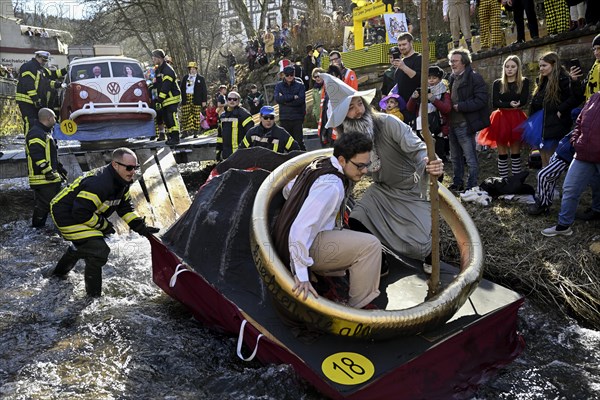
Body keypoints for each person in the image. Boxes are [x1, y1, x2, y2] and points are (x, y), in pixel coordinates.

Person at [319, 73, 445, 268]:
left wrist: (430, 161)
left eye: (359, 104)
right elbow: (346, 176)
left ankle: (430, 257)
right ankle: (379, 257)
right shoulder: (346, 143)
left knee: (419, 247)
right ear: (342, 118)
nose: (358, 111)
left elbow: (418, 150)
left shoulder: (388, 123)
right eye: (350, 108)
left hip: (412, 190)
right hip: (382, 191)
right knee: (357, 218)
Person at [272, 132, 382, 309]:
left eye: (366, 165)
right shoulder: (331, 186)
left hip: (287, 241)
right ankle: (358, 310)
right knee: (371, 246)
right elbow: (300, 228)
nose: (365, 171)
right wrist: (301, 275)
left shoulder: (320, 163)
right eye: (360, 166)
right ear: (342, 160)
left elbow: (287, 189)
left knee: (349, 234)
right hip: (296, 247)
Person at [50, 148, 159, 297]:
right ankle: (93, 298)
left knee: (85, 245)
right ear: (115, 165)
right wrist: (104, 225)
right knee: (99, 250)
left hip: (83, 212)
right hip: (66, 214)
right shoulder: (100, 183)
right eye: (129, 167)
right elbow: (80, 213)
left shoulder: (122, 180)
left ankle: (57, 276)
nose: (133, 171)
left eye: (135, 167)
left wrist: (141, 227)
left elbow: (125, 208)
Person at [541, 92, 600, 236]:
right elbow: (580, 121)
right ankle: (563, 226)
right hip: (583, 154)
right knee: (570, 188)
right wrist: (576, 140)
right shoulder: (595, 97)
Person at [477, 55, 530, 178]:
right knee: (502, 152)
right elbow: (495, 102)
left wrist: (517, 104)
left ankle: (516, 180)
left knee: (516, 152)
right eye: (507, 66)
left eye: (513, 67)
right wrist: (509, 104)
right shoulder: (498, 83)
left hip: (516, 118)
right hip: (500, 118)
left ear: (518, 68)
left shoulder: (523, 81)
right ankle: (504, 180)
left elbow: (524, 99)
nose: (509, 69)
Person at [526, 52, 580, 167]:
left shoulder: (564, 80)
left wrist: (561, 109)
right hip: (541, 125)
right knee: (544, 160)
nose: (541, 68)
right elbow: (536, 103)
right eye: (540, 66)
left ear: (554, 65)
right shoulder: (541, 82)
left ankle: (551, 184)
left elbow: (574, 98)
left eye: (544, 65)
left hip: (556, 124)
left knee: (552, 161)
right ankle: (546, 184)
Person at [447, 48, 490, 191]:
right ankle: (457, 183)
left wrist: (462, 106)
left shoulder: (474, 77)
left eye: (455, 61)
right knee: (455, 158)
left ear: (464, 62)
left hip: (465, 123)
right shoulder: (452, 77)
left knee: (470, 158)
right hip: (452, 124)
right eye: (451, 61)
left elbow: (482, 100)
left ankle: (472, 186)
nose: (452, 64)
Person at [25, 108, 65, 228]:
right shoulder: (36, 133)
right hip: (42, 177)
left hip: (48, 176)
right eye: (54, 118)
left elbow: (49, 155)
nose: (55, 120)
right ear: (48, 118)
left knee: (55, 202)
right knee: (44, 205)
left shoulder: (44, 133)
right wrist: (48, 171)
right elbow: (37, 155)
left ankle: (55, 226)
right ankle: (37, 229)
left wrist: (60, 169)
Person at [407, 65, 452, 163]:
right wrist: (413, 98)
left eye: (434, 78)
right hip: (420, 127)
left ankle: (438, 177)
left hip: (437, 129)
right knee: (423, 157)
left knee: (437, 157)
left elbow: (447, 109)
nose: (431, 80)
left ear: (440, 79)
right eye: (429, 78)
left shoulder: (444, 92)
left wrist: (433, 99)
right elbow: (410, 108)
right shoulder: (421, 90)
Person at [16, 50, 67, 133]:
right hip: (26, 100)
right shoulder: (28, 66)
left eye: (46, 61)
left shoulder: (42, 70)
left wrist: (66, 69)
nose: (44, 62)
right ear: (37, 57)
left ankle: (36, 141)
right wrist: (35, 99)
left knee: (37, 123)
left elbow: (54, 74)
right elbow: (28, 84)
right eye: (43, 60)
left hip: (35, 102)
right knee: (30, 122)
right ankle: (29, 142)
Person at [151, 49, 181, 146]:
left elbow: (166, 87)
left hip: (171, 98)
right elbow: (158, 85)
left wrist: (159, 99)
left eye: (154, 58)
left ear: (160, 58)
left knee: (171, 117)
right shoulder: (159, 69)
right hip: (165, 99)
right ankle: (171, 137)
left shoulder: (167, 70)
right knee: (167, 119)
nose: (153, 60)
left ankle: (176, 138)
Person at [392, 33, 422, 123]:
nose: (401, 47)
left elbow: (420, 78)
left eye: (404, 44)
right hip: (401, 108)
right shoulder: (402, 61)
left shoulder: (419, 58)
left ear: (411, 43)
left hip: (415, 106)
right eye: (399, 45)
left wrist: (404, 67)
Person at [275, 65, 306, 150]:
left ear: (294, 74)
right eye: (287, 75)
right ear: (284, 75)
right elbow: (277, 99)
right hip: (284, 117)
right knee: (286, 142)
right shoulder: (279, 86)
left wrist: (285, 101)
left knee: (299, 141)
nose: (289, 77)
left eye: (291, 75)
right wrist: (293, 97)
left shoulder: (300, 85)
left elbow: (301, 100)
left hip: (297, 117)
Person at [215, 91, 254, 160]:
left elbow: (250, 135)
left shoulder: (244, 115)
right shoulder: (223, 116)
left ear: (239, 101)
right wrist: (219, 150)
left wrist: (245, 150)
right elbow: (220, 136)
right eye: (230, 99)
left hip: (240, 154)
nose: (232, 101)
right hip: (226, 154)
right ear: (227, 100)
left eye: (235, 99)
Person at [180, 61, 208, 138]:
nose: (192, 70)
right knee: (185, 115)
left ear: (196, 69)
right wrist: (182, 99)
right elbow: (181, 89)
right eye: (191, 69)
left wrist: (204, 101)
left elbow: (204, 90)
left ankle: (196, 132)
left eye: (194, 69)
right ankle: (185, 131)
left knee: (196, 115)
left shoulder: (200, 78)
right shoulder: (186, 77)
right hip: (187, 98)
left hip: (196, 99)